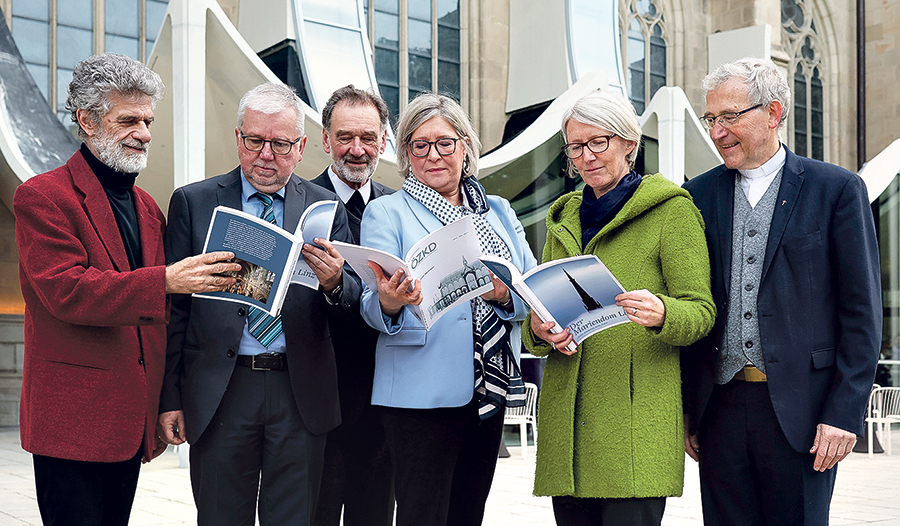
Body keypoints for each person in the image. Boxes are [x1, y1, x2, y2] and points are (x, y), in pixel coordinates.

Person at [13, 53, 239, 526]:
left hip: (129, 423)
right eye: (129, 119)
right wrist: (167, 280)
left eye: (149, 120)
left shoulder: (148, 206)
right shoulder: (41, 196)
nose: (145, 132)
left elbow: (158, 325)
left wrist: (164, 403)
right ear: (87, 120)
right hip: (72, 423)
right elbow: (66, 290)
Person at [682, 57, 881, 525]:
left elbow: (862, 314)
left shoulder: (837, 190)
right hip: (720, 409)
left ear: (773, 113)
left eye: (729, 117)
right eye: (711, 119)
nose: (716, 131)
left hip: (805, 415)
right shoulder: (697, 195)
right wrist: (691, 413)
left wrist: (844, 413)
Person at [157, 82, 362, 526]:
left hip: (300, 392)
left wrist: (332, 283)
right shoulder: (194, 203)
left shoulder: (326, 208)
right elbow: (175, 312)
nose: (266, 155)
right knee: (220, 517)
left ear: (303, 145)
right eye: (255, 141)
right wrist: (169, 397)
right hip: (221, 391)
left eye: (282, 144)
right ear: (238, 138)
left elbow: (351, 305)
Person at [522, 90, 716, 526]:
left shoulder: (672, 212)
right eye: (575, 147)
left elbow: (701, 311)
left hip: (635, 425)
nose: (586, 157)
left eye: (598, 142)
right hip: (568, 426)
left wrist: (663, 312)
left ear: (629, 143)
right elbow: (539, 316)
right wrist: (539, 328)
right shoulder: (563, 219)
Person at [359, 92, 537, 526]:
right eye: (419, 145)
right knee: (423, 516)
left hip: (486, 388)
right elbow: (370, 304)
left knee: (468, 515)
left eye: (445, 142)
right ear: (405, 154)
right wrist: (390, 300)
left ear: (465, 146)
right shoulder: (387, 213)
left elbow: (532, 289)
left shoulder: (496, 210)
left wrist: (502, 294)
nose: (433, 155)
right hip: (418, 397)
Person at [311, 85, 395, 526]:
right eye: (345, 137)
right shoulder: (297, 203)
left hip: (386, 403)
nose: (356, 149)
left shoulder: (403, 209)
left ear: (384, 141)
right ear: (325, 140)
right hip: (315, 402)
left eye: (368, 137)